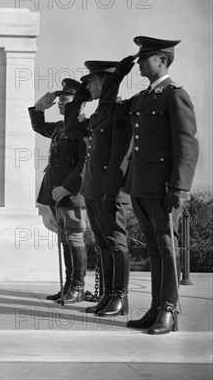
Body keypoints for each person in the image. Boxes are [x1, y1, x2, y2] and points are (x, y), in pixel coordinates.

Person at [97, 36, 199, 335]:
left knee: (167, 248)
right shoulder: (143, 99)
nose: (139, 63)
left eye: (144, 58)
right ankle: (156, 309)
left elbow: (187, 144)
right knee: (155, 248)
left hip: (165, 187)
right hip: (140, 186)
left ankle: (169, 311)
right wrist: (117, 77)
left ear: (162, 60)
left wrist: (180, 187)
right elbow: (106, 111)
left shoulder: (175, 96)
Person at [64, 61, 133, 316]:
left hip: (110, 190)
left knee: (116, 242)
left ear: (105, 82)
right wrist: (78, 101)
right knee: (104, 244)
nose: (87, 86)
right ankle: (107, 295)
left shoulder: (118, 111)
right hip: (93, 189)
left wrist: (111, 190)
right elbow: (71, 130)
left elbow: (121, 155)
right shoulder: (98, 115)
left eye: (90, 82)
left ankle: (120, 297)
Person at [29, 78, 87, 303]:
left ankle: (78, 286)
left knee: (73, 236)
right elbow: (39, 126)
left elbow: (84, 163)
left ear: (80, 104)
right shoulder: (62, 126)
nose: (61, 103)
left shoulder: (82, 126)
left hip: (69, 191)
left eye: (66, 99)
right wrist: (39, 108)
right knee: (64, 237)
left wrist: (68, 188)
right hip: (55, 189)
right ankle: (69, 285)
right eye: (60, 99)